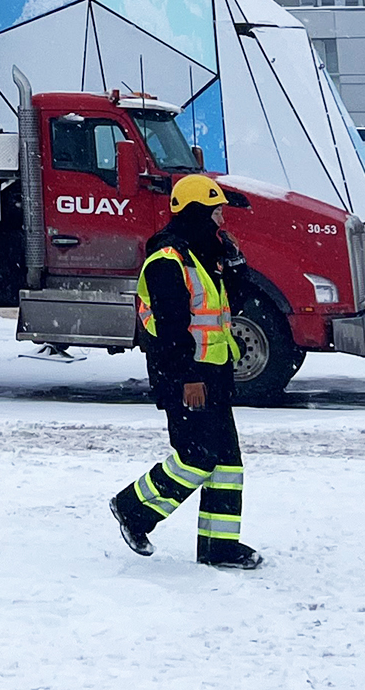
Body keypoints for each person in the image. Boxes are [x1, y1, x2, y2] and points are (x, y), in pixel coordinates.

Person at [109, 172, 261, 570]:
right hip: (185, 377)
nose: (221, 221)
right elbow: (171, 330)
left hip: (214, 373)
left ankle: (219, 546)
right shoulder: (167, 262)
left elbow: (234, 305)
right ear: (196, 213)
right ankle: (133, 508)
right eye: (215, 213)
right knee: (197, 457)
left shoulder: (204, 257)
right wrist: (188, 379)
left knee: (226, 463)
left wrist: (236, 264)